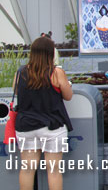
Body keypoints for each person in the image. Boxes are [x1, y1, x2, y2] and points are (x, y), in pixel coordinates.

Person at [14, 36, 73, 190]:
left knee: (27, 169)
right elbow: (68, 96)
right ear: (51, 53)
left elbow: (17, 91)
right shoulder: (56, 72)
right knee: (53, 171)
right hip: (51, 127)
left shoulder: (20, 72)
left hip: (26, 126)